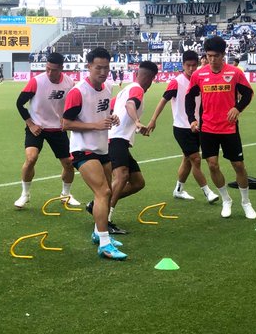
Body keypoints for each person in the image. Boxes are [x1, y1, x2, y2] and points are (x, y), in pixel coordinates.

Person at [61, 47, 125, 260]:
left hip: (102, 148)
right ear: (88, 66)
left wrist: (112, 117)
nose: (103, 72)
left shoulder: (108, 87)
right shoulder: (78, 92)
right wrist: (95, 125)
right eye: (98, 67)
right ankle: (105, 245)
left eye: (106, 67)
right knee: (103, 192)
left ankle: (99, 233)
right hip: (82, 149)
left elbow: (102, 112)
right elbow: (66, 124)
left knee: (107, 192)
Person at [185, 36, 256, 219]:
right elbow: (189, 97)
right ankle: (226, 199)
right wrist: (192, 119)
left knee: (238, 165)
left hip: (229, 128)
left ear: (223, 55)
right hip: (207, 128)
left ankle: (246, 202)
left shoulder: (235, 73)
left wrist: (237, 108)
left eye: (216, 56)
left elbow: (248, 93)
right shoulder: (199, 75)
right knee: (212, 165)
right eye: (209, 56)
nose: (212, 59)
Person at [146, 51, 219, 204]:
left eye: (194, 65)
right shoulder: (176, 82)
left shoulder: (200, 80)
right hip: (181, 128)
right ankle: (208, 192)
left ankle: (178, 190)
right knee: (196, 159)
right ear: (183, 65)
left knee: (187, 159)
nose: (191, 69)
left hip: (198, 127)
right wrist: (153, 120)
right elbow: (163, 101)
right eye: (188, 65)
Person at [14, 52, 79, 209]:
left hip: (58, 129)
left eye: (54, 70)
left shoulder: (70, 83)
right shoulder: (36, 81)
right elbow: (19, 103)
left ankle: (65, 194)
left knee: (68, 163)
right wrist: (30, 124)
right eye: (47, 68)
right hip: (37, 127)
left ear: (61, 68)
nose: (49, 72)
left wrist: (67, 120)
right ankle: (25, 194)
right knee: (31, 158)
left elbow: (74, 106)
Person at [102, 60, 158, 234]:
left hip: (118, 140)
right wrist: (137, 121)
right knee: (122, 176)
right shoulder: (137, 89)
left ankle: (97, 205)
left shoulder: (124, 90)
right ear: (150, 78)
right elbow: (130, 105)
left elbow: (111, 108)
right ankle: (105, 219)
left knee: (137, 182)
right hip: (116, 139)